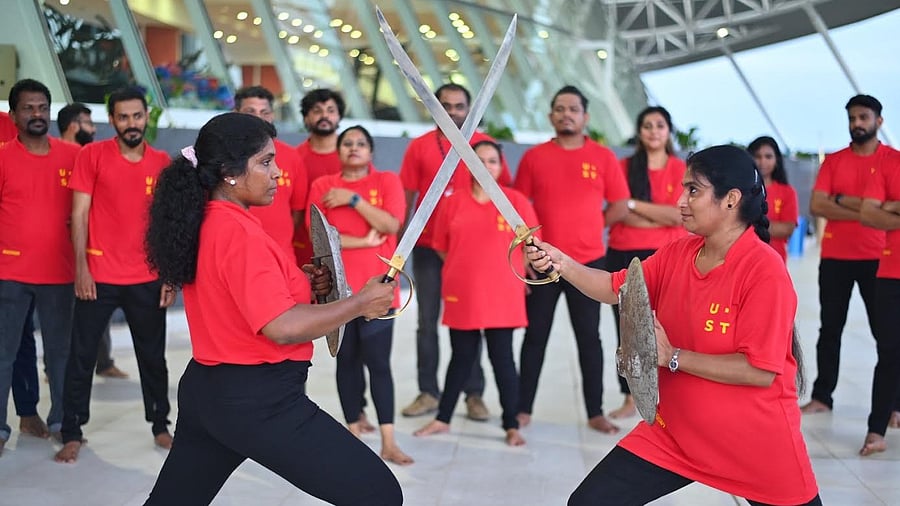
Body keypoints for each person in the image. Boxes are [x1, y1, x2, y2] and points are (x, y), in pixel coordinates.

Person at [528, 145, 821, 506]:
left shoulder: (764, 270)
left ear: (731, 199)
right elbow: (615, 287)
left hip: (755, 442)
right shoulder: (679, 253)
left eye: (693, 190)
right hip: (675, 435)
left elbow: (759, 371)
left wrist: (673, 356)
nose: (680, 201)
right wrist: (561, 263)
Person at [142, 112, 402, 504]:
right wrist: (359, 303)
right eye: (265, 162)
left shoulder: (211, 220)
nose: (278, 172)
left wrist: (302, 285)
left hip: (209, 389)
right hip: (258, 399)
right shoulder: (238, 232)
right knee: (379, 494)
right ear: (230, 172)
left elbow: (237, 297)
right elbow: (281, 325)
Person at [55, 87, 175, 463]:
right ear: (112, 120)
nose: (131, 123)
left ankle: (160, 425)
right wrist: (81, 268)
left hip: (147, 277)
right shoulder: (92, 155)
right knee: (81, 357)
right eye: (123, 117)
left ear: (146, 116)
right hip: (99, 275)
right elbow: (79, 215)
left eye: (137, 116)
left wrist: (169, 275)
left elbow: (168, 224)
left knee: (152, 358)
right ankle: (72, 431)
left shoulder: (161, 163)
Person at [513, 85, 629, 433]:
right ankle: (521, 409)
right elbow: (519, 208)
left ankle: (595, 411)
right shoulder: (534, 157)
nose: (567, 115)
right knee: (535, 337)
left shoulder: (603, 157)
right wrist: (527, 253)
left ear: (585, 117)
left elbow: (620, 205)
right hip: (543, 262)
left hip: (588, 263)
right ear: (551, 116)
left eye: (573, 109)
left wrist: (594, 225)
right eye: (560, 109)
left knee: (589, 338)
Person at [399, 83, 512, 421]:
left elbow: (503, 196)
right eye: (444, 105)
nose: (452, 112)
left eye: (459, 106)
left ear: (469, 108)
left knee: (471, 321)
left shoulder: (484, 146)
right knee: (426, 322)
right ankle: (428, 392)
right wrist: (400, 245)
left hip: (470, 252)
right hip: (427, 249)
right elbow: (407, 199)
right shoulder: (419, 147)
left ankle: (474, 394)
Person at [414, 140, 535, 446]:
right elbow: (442, 247)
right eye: (479, 160)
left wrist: (516, 273)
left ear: (501, 166)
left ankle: (511, 424)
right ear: (467, 164)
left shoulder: (515, 201)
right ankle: (443, 419)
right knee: (462, 357)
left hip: (503, 293)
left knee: (502, 359)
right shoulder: (452, 202)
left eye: (492, 160)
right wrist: (466, 269)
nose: (486, 166)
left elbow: (531, 245)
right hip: (463, 292)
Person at [306, 125, 412, 465]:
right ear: (338, 150)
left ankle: (389, 441)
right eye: (347, 143)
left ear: (371, 151)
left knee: (379, 364)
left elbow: (391, 225)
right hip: (340, 291)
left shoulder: (386, 181)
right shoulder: (322, 186)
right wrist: (364, 241)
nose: (354, 148)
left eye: (361, 143)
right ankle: (353, 433)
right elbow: (321, 238)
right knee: (347, 362)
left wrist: (353, 200)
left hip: (379, 289)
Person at [0, 79, 80, 454]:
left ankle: (63, 422)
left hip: (60, 272)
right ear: (13, 115)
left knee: (60, 354)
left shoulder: (72, 155)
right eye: (28, 108)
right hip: (9, 273)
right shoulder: (2, 156)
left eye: (42, 108)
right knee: (4, 354)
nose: (36, 114)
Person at [802, 95, 893, 417]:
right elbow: (817, 205)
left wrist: (841, 200)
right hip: (836, 257)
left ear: (879, 121)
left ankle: (894, 405)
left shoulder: (892, 161)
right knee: (830, 329)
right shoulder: (834, 161)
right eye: (852, 118)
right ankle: (822, 396)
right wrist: (870, 209)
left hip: (879, 258)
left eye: (863, 117)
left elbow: (894, 207)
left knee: (887, 334)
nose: (857, 123)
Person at [605, 106, 687, 419]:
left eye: (660, 125)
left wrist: (634, 205)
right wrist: (658, 216)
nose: (654, 131)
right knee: (628, 328)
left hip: (667, 255)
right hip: (625, 253)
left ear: (669, 131)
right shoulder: (624, 166)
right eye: (647, 125)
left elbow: (677, 215)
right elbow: (619, 213)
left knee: (668, 325)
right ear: (639, 132)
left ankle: (668, 394)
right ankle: (630, 396)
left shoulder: (680, 168)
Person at [57, 102, 128, 379]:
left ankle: (104, 362)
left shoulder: (92, 156)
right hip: (59, 252)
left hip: (92, 251)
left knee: (94, 307)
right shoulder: (62, 156)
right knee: (64, 313)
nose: (94, 129)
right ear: (73, 125)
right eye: (88, 123)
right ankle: (59, 367)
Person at [234, 86, 308, 263]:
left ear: (272, 115)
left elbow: (297, 211)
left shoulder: (291, 156)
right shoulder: (225, 154)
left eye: (264, 112)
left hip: (281, 257)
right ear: (236, 113)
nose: (258, 118)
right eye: (250, 111)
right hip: (238, 255)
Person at [859, 146, 900, 455]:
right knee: (888, 351)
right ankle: (876, 429)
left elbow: (880, 212)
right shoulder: (889, 164)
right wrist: (883, 210)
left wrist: (893, 207)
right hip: (890, 273)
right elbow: (868, 213)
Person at [295, 88, 345, 265]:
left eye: (331, 110)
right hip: (303, 246)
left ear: (339, 116)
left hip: (347, 247)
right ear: (306, 117)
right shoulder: (295, 158)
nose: (325, 116)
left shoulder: (354, 157)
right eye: (317, 111)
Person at [748, 136, 799, 262]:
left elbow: (787, 229)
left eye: (768, 156)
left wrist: (748, 225)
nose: (762, 161)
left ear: (777, 160)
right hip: (744, 258)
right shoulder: (738, 189)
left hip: (774, 260)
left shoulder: (787, 192)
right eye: (757, 156)